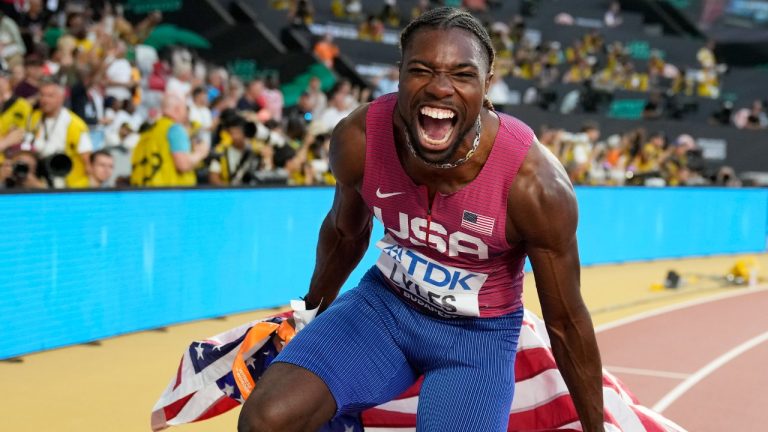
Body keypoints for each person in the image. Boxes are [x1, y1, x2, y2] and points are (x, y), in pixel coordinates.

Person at [239, 7, 603, 432]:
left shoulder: (535, 186)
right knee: (266, 420)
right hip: (384, 308)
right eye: (421, 70)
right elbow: (345, 233)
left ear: (487, 85)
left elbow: (566, 322)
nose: (440, 88)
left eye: (462, 75)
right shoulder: (360, 139)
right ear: (399, 75)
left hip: (476, 339)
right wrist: (307, 313)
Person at [130, 93, 208, 186]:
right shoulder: (175, 129)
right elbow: (183, 165)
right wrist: (201, 153)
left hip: (142, 190)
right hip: (168, 192)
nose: (186, 115)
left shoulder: (150, 130)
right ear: (177, 109)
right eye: (185, 109)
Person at [26, 80, 92, 188]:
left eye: (50, 96)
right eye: (42, 95)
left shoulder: (75, 124)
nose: (44, 100)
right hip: (39, 174)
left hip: (67, 182)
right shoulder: (34, 117)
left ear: (61, 98)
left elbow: (87, 160)